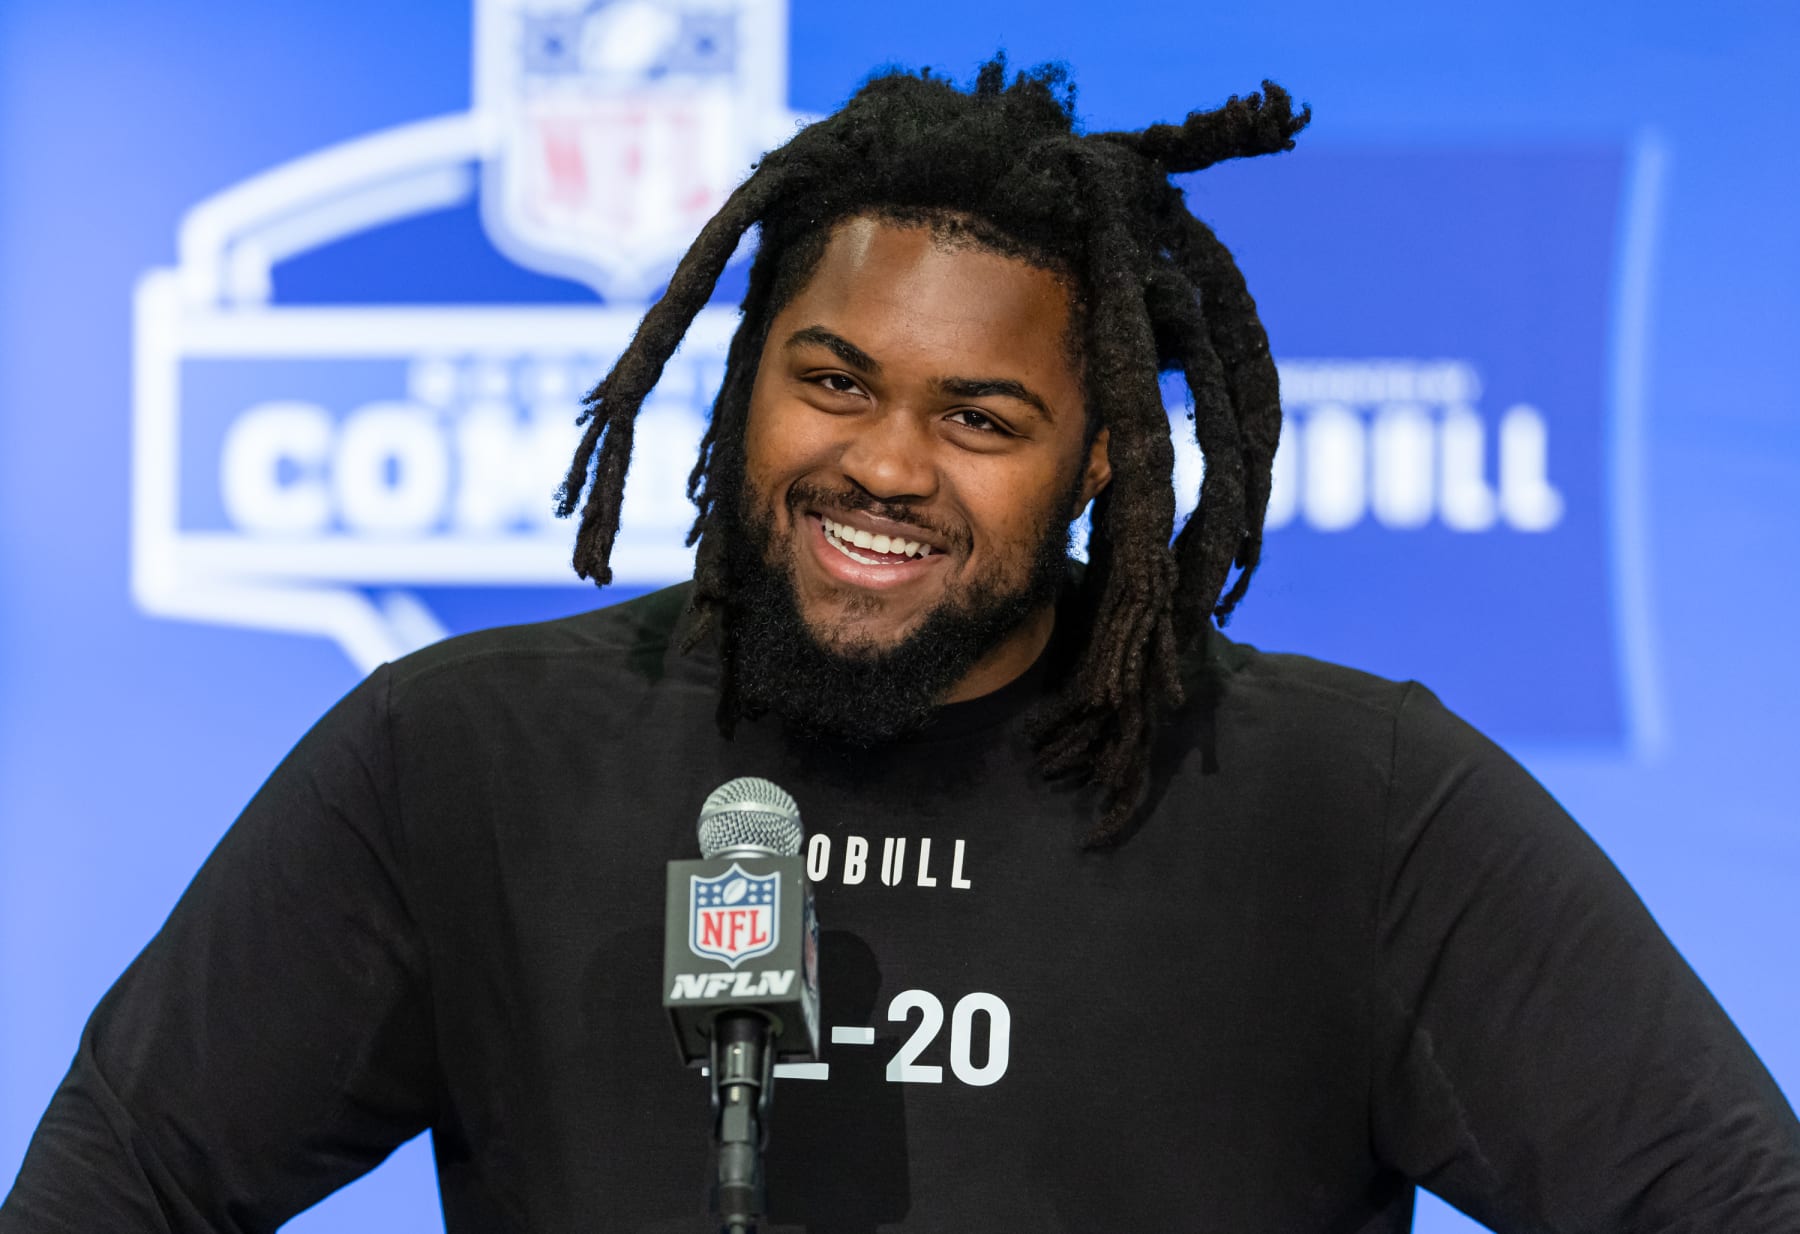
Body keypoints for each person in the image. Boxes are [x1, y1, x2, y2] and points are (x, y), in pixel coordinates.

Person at [4, 58, 1798, 1234]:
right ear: (746, 379)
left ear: (1101, 458)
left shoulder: (1352, 803)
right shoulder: (461, 758)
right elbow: (121, 1180)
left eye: (981, 417)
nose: (883, 464)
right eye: (835, 380)